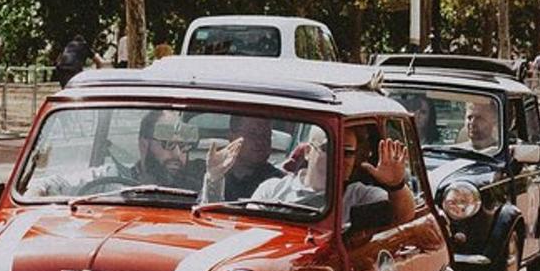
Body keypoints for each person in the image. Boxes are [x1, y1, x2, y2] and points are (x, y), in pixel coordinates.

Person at [203, 125, 414, 227]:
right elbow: (244, 231)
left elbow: (404, 216)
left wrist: (395, 185)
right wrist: (214, 178)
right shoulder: (272, 189)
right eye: (327, 148)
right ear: (307, 151)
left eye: (347, 152)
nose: (337, 159)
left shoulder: (359, 195)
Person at [26, 109, 240, 197]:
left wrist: (214, 178)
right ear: (144, 145)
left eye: (184, 147)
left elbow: (211, 219)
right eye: (167, 144)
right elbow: (55, 183)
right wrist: (38, 189)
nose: (177, 154)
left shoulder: (196, 185)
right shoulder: (112, 178)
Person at [213, 115, 284, 200]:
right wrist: (213, 178)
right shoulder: (205, 172)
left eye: (266, 134)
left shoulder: (279, 184)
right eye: (252, 133)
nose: (260, 141)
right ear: (232, 137)